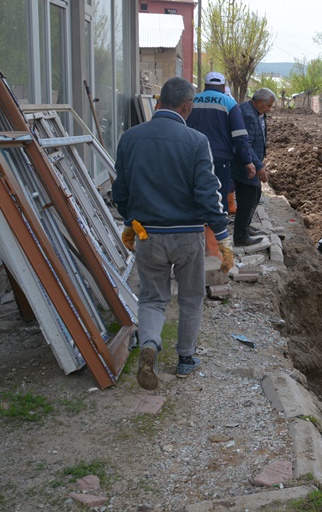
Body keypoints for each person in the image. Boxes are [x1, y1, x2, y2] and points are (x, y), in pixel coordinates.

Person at [112, 77, 234, 390]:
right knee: (191, 299)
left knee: (152, 298)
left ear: (158, 102)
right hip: (186, 236)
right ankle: (185, 360)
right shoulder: (196, 141)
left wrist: (130, 223)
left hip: (147, 235)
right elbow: (208, 193)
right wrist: (221, 236)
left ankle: (150, 343)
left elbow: (121, 191)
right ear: (186, 106)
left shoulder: (130, 139)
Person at [186, 71, 255, 213]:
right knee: (219, 196)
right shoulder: (229, 103)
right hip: (219, 157)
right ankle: (216, 228)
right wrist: (247, 161)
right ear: (224, 87)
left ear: (204, 86)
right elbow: (240, 135)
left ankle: (197, 226)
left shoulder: (192, 101)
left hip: (193, 156)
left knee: (195, 191)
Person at [232, 88, 275, 246]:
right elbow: (246, 144)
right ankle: (240, 237)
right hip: (246, 166)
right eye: (268, 106)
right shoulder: (248, 115)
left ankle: (245, 227)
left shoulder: (256, 111)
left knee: (255, 195)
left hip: (252, 163)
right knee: (247, 200)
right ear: (259, 102)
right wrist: (257, 165)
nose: (269, 110)